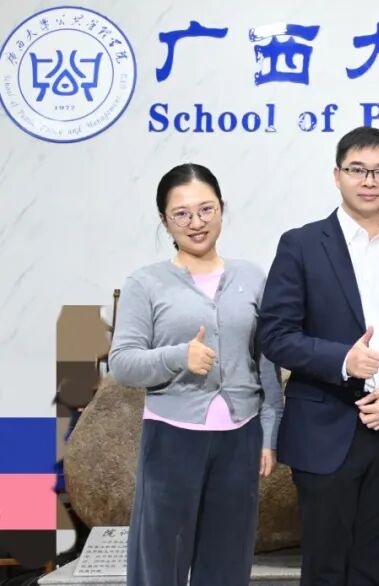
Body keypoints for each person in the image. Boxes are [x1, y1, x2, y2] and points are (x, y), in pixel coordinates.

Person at [257, 127, 379, 586]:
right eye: (358, 169)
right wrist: (342, 361)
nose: (369, 180)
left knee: (378, 570)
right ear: (337, 175)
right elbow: (275, 335)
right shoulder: (300, 244)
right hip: (325, 430)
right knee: (325, 570)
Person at [110, 163, 282, 586]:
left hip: (240, 436)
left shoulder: (252, 277)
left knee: (227, 563)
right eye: (181, 214)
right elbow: (123, 363)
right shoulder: (145, 283)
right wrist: (178, 356)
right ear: (164, 220)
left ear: (222, 208)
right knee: (159, 563)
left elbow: (267, 363)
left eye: (206, 209)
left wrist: (269, 433)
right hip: (172, 437)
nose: (196, 222)